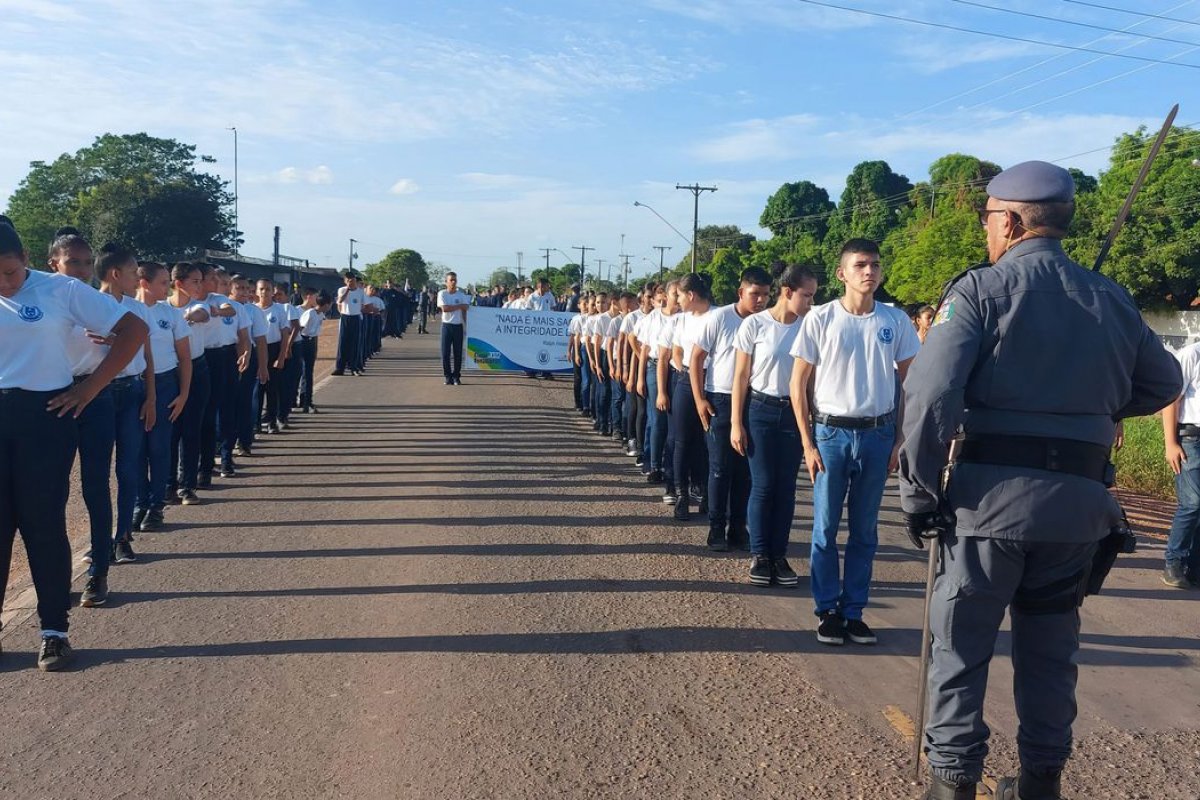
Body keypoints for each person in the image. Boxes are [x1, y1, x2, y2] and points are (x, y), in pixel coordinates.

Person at [898, 161, 1183, 800]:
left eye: (988, 219)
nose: (986, 231)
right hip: (1076, 511)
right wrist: (1088, 409)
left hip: (988, 508)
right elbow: (1164, 383)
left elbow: (930, 396)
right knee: (1052, 653)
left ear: (1011, 222)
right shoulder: (1110, 296)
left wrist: (919, 494)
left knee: (960, 649)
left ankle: (952, 783)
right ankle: (1040, 782)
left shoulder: (980, 291)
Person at [0, 221, 146, 669]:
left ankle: (54, 631)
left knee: (42, 524)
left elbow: (134, 329)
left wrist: (90, 389)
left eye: (10, 271)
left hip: (45, 417)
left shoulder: (60, 289)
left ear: (27, 259)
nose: (4, 283)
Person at [791, 238, 920, 646]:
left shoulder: (895, 320)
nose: (869, 272)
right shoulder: (821, 318)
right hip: (831, 434)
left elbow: (910, 383)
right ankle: (827, 610)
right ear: (842, 273)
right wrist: (807, 442)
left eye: (875, 265)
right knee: (826, 527)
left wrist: (901, 438)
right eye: (861, 265)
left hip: (878, 434)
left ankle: (854, 612)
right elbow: (798, 383)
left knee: (865, 530)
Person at [731, 264, 818, 585]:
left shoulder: (809, 327)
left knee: (786, 488)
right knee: (764, 484)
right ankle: (760, 555)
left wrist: (812, 422)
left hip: (794, 414)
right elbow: (741, 376)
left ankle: (779, 556)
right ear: (787, 292)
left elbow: (810, 381)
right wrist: (736, 423)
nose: (810, 302)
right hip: (760, 411)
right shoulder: (755, 324)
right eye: (806, 295)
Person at [691, 267, 771, 550]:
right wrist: (700, 400)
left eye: (765, 294)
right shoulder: (720, 318)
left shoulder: (766, 322)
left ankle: (738, 528)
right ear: (741, 292)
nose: (760, 300)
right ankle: (716, 528)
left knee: (745, 471)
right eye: (755, 294)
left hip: (753, 401)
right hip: (720, 400)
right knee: (720, 468)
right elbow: (696, 358)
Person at [95, 244, 157, 564]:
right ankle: (99, 539)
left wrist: (152, 397)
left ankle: (122, 535)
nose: (137, 278)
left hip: (133, 392)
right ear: (115, 274)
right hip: (99, 393)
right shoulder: (87, 305)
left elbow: (147, 356)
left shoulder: (138, 310)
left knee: (128, 467)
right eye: (133, 272)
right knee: (98, 472)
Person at [133, 261, 191, 534]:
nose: (167, 288)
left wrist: (184, 394)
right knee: (135, 450)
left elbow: (185, 357)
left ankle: (156, 507)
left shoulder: (171, 314)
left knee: (158, 448)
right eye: (163, 282)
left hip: (166, 383)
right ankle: (139, 503)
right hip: (134, 385)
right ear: (144, 283)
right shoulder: (126, 309)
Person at [669, 274, 714, 521]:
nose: (677, 301)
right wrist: (683, 370)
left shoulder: (717, 316)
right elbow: (676, 351)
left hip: (713, 382)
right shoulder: (682, 320)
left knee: (708, 442)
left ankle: (708, 493)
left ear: (691, 295)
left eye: (679, 296)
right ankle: (681, 495)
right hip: (686, 380)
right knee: (682, 441)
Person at [166, 263, 212, 506]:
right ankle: (168, 485)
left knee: (191, 430)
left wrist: (187, 316)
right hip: (169, 372)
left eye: (201, 281)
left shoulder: (198, 305)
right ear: (179, 283)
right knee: (170, 432)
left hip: (197, 370)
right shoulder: (162, 308)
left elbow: (202, 314)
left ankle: (187, 485)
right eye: (195, 281)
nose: (200, 286)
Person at [1162, 341, 1200, 589]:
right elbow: (1171, 400)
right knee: (1193, 502)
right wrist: (1170, 443)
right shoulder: (1191, 354)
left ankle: (1194, 567)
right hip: (1190, 439)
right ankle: (1173, 562)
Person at [198, 266, 239, 487]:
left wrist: (218, 312)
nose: (216, 281)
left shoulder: (218, 299)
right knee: (197, 416)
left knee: (219, 410)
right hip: (192, 358)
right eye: (211, 278)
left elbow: (229, 310)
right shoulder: (181, 303)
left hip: (218, 357)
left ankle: (219, 460)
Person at [230, 275, 269, 456]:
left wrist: (263, 366)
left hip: (248, 357)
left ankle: (244, 441)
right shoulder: (222, 307)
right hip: (227, 356)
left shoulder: (254, 311)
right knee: (226, 402)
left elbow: (260, 340)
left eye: (247, 288)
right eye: (239, 288)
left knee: (245, 401)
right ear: (230, 289)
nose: (245, 292)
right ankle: (223, 441)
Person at [256, 278, 290, 435]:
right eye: (261, 289)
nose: (264, 292)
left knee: (272, 389)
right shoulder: (252, 309)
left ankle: (272, 421)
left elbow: (284, 334)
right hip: (257, 351)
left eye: (268, 289)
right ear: (257, 291)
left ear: (272, 292)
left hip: (274, 350)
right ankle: (256, 422)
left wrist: (281, 356)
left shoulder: (279, 310)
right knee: (257, 390)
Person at [296, 289, 331, 413]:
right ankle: (304, 401)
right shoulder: (310, 313)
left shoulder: (320, 315)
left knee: (308, 373)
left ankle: (306, 401)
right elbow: (300, 328)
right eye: (329, 304)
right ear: (326, 304)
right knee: (304, 372)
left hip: (312, 341)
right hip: (304, 341)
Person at [437, 272, 470, 385]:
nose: (453, 282)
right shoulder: (442, 293)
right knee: (445, 353)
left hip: (458, 326)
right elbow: (445, 309)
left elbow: (465, 309)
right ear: (446, 282)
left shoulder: (461, 295)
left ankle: (456, 376)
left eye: (455, 280)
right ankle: (447, 376)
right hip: (447, 325)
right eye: (451, 280)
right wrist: (459, 306)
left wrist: (467, 325)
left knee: (458, 353)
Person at [333, 270, 365, 376]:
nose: (350, 282)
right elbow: (340, 301)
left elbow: (362, 305)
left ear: (355, 280)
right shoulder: (342, 290)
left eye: (352, 280)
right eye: (348, 280)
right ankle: (340, 368)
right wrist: (347, 290)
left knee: (355, 343)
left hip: (356, 317)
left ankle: (353, 367)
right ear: (345, 281)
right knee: (343, 342)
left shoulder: (360, 291)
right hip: (345, 317)